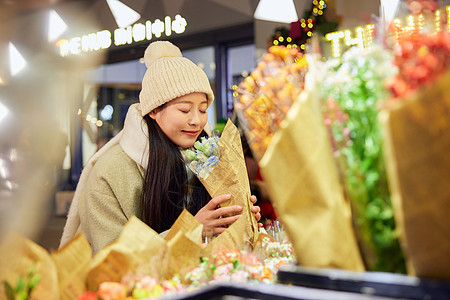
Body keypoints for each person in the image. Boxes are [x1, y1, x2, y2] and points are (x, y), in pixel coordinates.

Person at [60, 41, 261, 254]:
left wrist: (237, 219)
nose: (196, 121)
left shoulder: (208, 158)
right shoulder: (109, 172)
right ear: (154, 110)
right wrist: (192, 229)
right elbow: (112, 258)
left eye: (203, 110)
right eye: (184, 110)